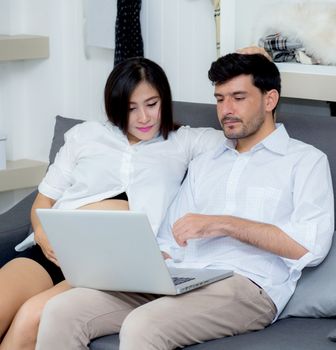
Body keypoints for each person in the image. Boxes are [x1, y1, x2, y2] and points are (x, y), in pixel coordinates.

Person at [35, 52, 335, 350]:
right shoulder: (208, 160)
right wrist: (152, 262)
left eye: (238, 98)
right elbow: (169, 237)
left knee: (143, 326)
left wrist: (224, 224)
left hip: (247, 285)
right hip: (181, 276)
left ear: (269, 100)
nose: (226, 110)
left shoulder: (304, 161)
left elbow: (310, 246)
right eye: (219, 99)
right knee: (61, 311)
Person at [0, 57, 223, 350]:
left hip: (109, 265)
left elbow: (243, 135)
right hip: (54, 250)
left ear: (164, 101)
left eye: (152, 104)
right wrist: (41, 235)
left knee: (32, 316)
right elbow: (44, 199)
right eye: (131, 108)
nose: (144, 118)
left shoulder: (185, 142)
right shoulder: (85, 136)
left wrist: (254, 67)